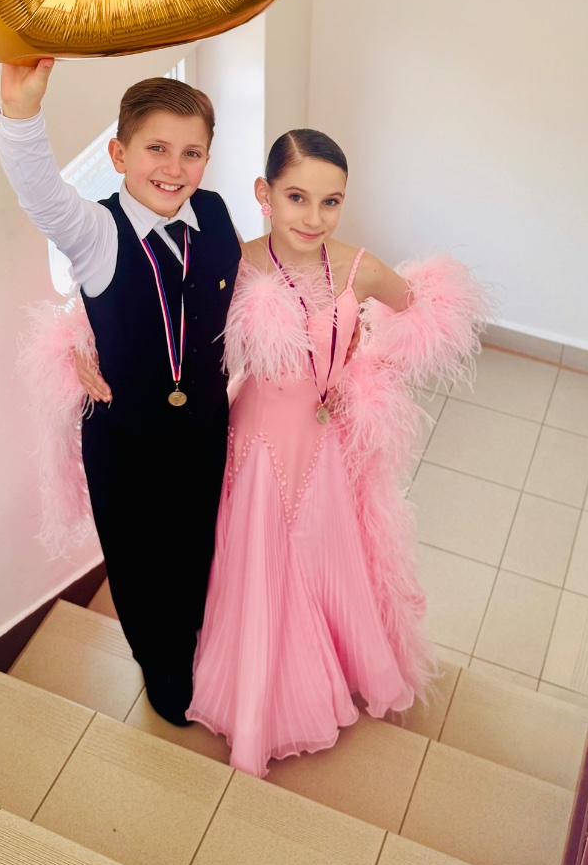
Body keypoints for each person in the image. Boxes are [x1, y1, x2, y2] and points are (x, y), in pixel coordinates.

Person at [187, 128, 489, 777]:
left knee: (326, 551)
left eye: (331, 202)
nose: (313, 217)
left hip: (325, 440)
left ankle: (339, 657)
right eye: (297, 197)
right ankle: (261, 698)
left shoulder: (356, 267)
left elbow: (424, 310)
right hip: (258, 440)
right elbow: (170, 325)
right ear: (265, 193)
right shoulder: (236, 263)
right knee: (261, 561)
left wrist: (365, 369)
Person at [0, 60, 240, 726]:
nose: (174, 168)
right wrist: (21, 114)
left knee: (195, 542)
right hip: (126, 439)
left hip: (203, 427)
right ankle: (159, 661)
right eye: (156, 148)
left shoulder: (215, 213)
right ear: (118, 154)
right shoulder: (97, 233)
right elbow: (42, 195)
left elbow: (244, 281)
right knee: (138, 559)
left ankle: (192, 635)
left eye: (191, 153)